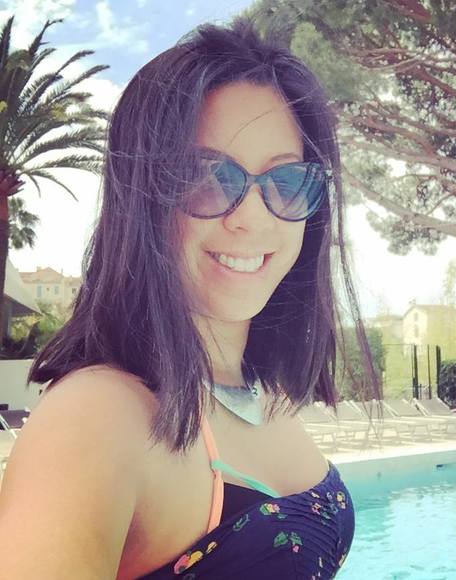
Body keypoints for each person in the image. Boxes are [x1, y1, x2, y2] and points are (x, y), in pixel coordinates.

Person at [0, 16, 381, 579]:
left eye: (286, 182)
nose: (252, 219)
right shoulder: (96, 418)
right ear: (142, 200)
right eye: (206, 178)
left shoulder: (261, 392)